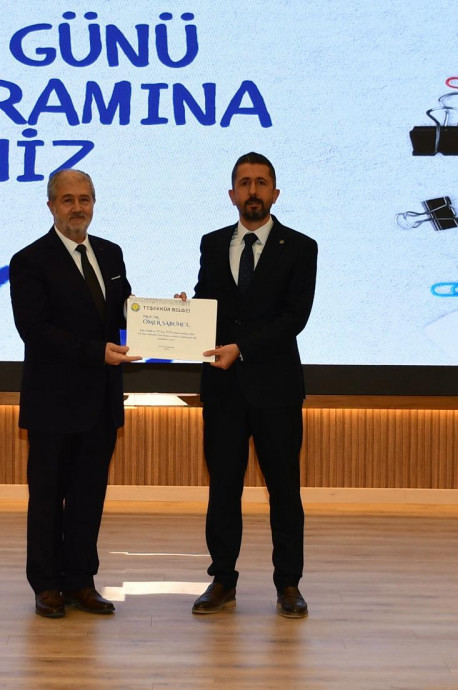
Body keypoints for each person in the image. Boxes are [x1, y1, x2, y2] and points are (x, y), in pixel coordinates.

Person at [188, 152, 318, 618]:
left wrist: (240, 347)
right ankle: (222, 579)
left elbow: (294, 318)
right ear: (232, 194)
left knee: (284, 490)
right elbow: (208, 302)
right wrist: (186, 314)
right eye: (244, 183)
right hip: (223, 388)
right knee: (223, 487)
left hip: (275, 388)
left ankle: (289, 584)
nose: (253, 191)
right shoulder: (211, 243)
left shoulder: (300, 247)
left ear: (275, 193)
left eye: (261, 183)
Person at [9, 168, 139, 618]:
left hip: (100, 402)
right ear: (51, 206)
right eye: (68, 200)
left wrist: (168, 316)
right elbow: (35, 330)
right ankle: (46, 585)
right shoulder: (29, 261)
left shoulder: (111, 253)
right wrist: (95, 351)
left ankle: (81, 580)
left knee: (88, 497)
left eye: (85, 199)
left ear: (94, 203)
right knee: (48, 497)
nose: (77, 208)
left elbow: (124, 312)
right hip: (53, 402)